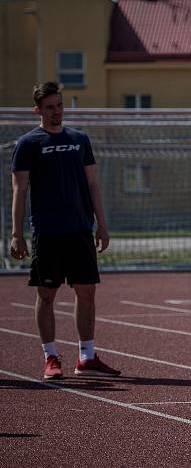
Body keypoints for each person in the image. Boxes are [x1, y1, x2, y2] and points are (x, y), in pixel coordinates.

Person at [10, 82, 120, 380]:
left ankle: (86, 356)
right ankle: (51, 357)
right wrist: (16, 233)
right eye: (49, 107)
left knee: (87, 292)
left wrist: (102, 225)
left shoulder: (80, 139)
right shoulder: (28, 143)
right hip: (47, 231)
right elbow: (19, 190)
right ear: (38, 110)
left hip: (80, 229)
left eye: (59, 105)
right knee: (46, 294)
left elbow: (93, 184)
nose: (56, 112)